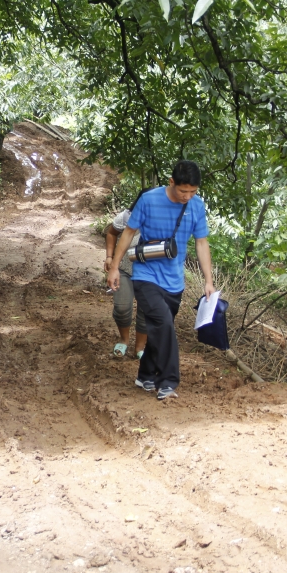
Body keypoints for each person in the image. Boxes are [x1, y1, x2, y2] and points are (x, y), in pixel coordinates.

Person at [107, 160, 214, 400]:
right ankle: (168, 381)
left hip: (174, 280)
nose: (187, 196)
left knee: (160, 328)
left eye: (193, 191)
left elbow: (201, 242)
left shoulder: (196, 206)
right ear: (171, 182)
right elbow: (128, 233)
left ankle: (145, 376)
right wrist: (114, 267)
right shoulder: (149, 200)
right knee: (164, 323)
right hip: (145, 274)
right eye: (183, 190)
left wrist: (208, 280)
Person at [103, 192, 149, 359]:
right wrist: (109, 257)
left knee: (146, 310)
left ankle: (140, 347)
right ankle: (124, 340)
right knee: (122, 308)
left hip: (150, 273)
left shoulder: (162, 220)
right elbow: (112, 233)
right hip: (124, 269)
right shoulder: (126, 217)